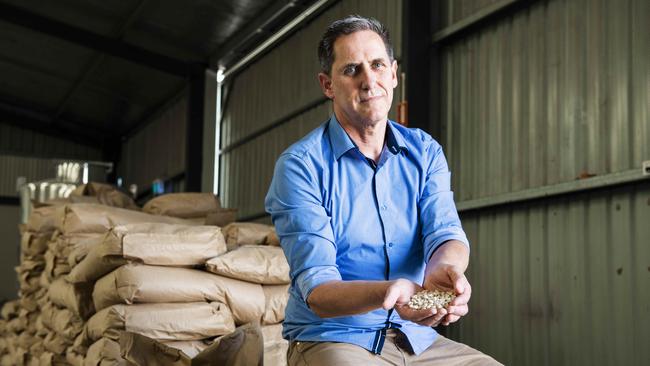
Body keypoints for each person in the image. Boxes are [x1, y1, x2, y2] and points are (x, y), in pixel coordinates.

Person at [265, 15, 501, 365]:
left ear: (393, 73)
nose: (368, 80)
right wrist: (391, 292)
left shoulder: (425, 151)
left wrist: (445, 271)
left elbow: (445, 232)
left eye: (377, 65)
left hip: (417, 340)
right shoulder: (301, 166)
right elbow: (317, 290)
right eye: (351, 70)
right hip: (336, 338)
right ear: (327, 84)